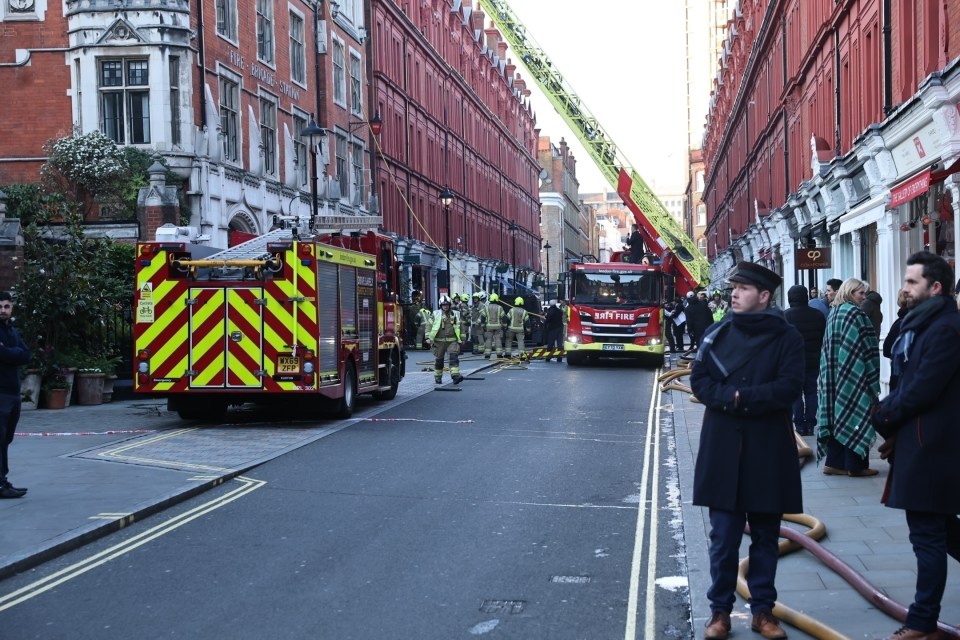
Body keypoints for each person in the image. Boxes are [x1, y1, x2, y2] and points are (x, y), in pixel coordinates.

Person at [691, 262, 803, 640]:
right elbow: (699, 380)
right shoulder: (715, 333)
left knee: (767, 537)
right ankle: (719, 613)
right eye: (733, 288)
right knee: (723, 538)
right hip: (723, 447)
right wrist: (731, 397)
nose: (734, 294)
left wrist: (743, 398)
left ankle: (762, 613)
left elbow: (789, 387)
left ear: (765, 296)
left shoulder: (787, 337)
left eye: (742, 288)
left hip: (768, 449)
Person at [871, 252, 960, 640]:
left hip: (932, 448)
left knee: (927, 536)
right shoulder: (923, 324)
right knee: (943, 531)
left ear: (934, 287)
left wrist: (883, 414)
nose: (903, 289)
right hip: (924, 443)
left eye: (911, 282)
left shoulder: (944, 330)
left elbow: (921, 388)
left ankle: (923, 624)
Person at [817, 278, 880, 477]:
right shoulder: (854, 313)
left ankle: (834, 462)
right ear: (849, 292)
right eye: (860, 293)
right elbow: (865, 346)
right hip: (853, 373)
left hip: (833, 374)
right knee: (855, 409)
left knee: (838, 413)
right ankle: (856, 465)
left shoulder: (835, 312)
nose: (864, 297)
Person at [784, 285, 826, 436]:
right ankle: (810, 423)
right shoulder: (818, 315)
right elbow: (823, 337)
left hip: (793, 362)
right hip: (813, 360)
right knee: (811, 391)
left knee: (796, 393)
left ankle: (799, 424)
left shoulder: (786, 316)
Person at [0, 291, 30, 499]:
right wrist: (13, 353)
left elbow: (26, 354)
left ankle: (3, 480)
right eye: (0, 306)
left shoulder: (12, 330)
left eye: (6, 306)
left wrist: (8, 352)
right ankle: (1, 484)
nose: (2, 310)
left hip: (13, 392)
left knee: (7, 438)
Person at [426, 295, 464, 385]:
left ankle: (455, 376)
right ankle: (438, 377)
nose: (445, 306)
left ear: (450, 305)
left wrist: (463, 338)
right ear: (440, 305)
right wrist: (427, 337)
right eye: (443, 305)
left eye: (447, 304)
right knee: (439, 360)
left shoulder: (455, 314)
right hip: (439, 341)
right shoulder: (435, 314)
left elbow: (461, 327)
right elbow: (428, 325)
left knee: (453, 357)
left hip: (452, 341)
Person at [481, 293, 506, 359]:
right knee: (498, 340)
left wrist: (483, 325)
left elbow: (483, 317)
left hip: (489, 326)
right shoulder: (499, 307)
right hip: (498, 326)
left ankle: (487, 354)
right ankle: (499, 354)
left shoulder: (486, 308)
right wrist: (504, 325)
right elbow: (503, 317)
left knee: (488, 340)